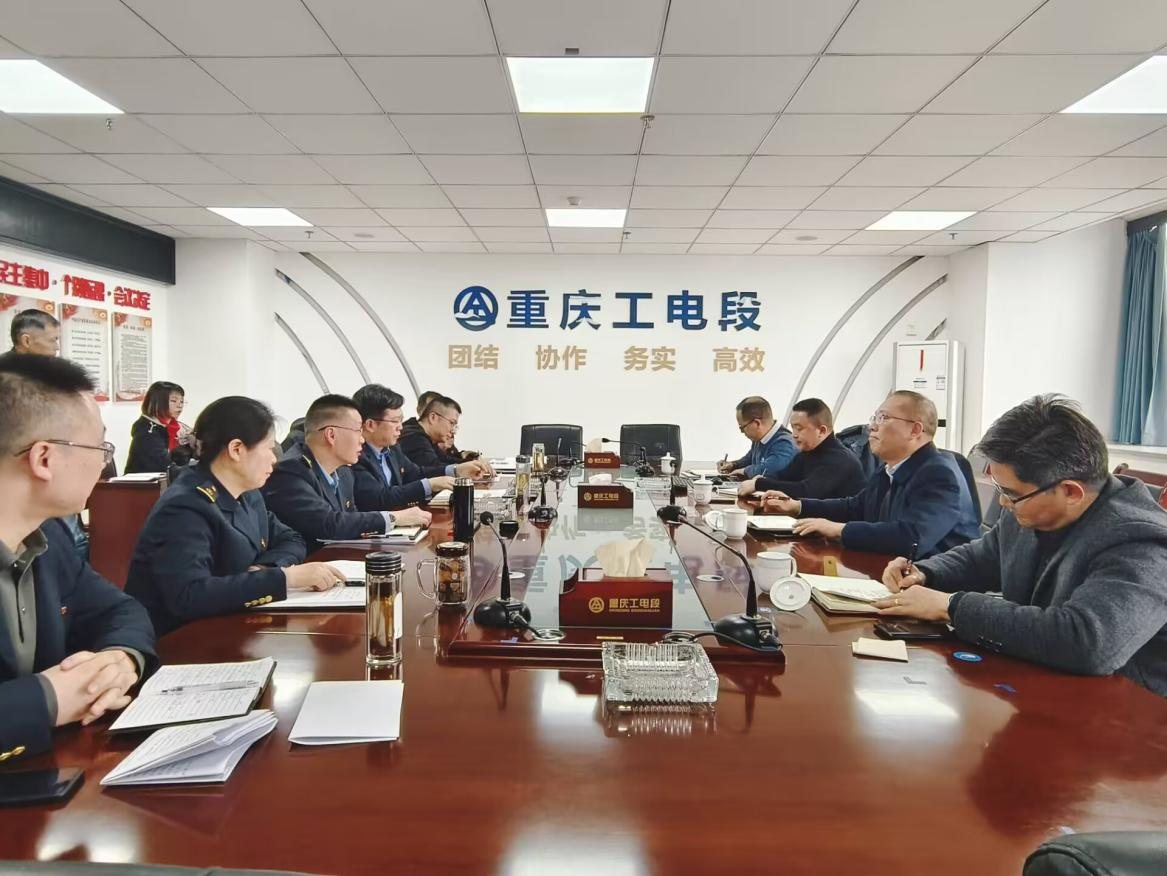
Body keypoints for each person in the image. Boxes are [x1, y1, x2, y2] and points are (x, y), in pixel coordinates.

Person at [876, 395, 1167, 696]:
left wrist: (951, 607)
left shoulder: (1144, 543)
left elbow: (1088, 641)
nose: (1003, 502)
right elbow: (983, 558)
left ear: (1070, 492)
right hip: (1044, 685)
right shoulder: (1032, 506)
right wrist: (924, 572)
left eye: (1011, 493)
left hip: (1129, 709)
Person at [0, 353, 156, 762]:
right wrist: (48, 699)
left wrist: (120, 658)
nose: (104, 464)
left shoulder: (47, 537)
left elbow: (120, 610)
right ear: (44, 458)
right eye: (100, 447)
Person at [126, 396, 343, 636]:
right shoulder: (186, 507)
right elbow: (189, 595)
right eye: (268, 448)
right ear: (236, 449)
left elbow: (291, 538)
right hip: (182, 639)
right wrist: (283, 578)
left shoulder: (247, 493)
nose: (274, 458)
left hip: (232, 626)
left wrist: (265, 568)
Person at [762, 391, 979, 557]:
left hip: (932, 587)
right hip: (890, 569)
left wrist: (839, 530)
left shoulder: (939, 474)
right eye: (874, 417)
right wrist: (797, 506)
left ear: (915, 430)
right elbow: (855, 507)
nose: (872, 426)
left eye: (883, 418)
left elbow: (910, 537)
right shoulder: (889, 468)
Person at [262, 394, 433, 551]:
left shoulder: (344, 471)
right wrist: (394, 518)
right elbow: (329, 524)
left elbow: (352, 519)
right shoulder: (290, 471)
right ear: (331, 435)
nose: (362, 439)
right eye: (358, 431)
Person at [351, 383, 486, 511]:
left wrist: (456, 470)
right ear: (370, 425)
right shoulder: (355, 455)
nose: (401, 427)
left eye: (401, 420)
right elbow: (380, 497)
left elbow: (415, 474)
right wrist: (431, 484)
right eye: (395, 421)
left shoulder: (392, 448)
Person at [737, 398, 866, 499]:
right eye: (793, 428)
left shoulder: (839, 459)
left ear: (821, 431)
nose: (794, 434)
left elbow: (806, 491)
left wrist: (759, 484)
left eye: (799, 428)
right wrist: (762, 478)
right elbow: (782, 476)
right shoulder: (807, 453)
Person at [400, 394, 490, 473]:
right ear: (433, 417)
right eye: (452, 423)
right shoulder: (413, 437)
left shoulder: (426, 436)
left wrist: (473, 463)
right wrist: (467, 467)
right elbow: (433, 467)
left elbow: (444, 459)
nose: (453, 430)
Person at [718, 396, 796, 480]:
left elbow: (769, 470)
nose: (742, 432)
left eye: (742, 427)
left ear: (757, 423)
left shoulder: (785, 443)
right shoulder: (760, 440)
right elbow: (748, 460)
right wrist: (733, 465)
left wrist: (744, 471)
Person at [125, 380, 193, 474]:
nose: (180, 405)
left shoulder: (178, 427)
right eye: (174, 401)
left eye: (182, 401)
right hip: (142, 481)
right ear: (157, 402)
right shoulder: (147, 429)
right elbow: (164, 463)